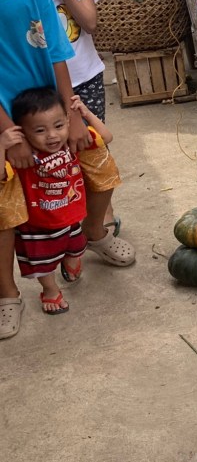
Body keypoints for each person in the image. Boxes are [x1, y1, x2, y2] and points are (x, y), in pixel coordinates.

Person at [0, 0, 133, 340]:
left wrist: (71, 114)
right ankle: (7, 293)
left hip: (52, 109)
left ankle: (93, 232)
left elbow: (57, 51)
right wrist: (9, 133)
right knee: (5, 210)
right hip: (4, 121)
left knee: (100, 166)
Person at [22, 0, 120, 235]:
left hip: (86, 80)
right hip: (47, 87)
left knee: (92, 145)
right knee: (55, 150)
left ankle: (102, 212)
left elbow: (89, 24)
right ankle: (68, 208)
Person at [0, 89, 113, 315]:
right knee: (43, 264)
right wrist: (2, 145)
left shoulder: (69, 144)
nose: (52, 135)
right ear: (23, 132)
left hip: (72, 216)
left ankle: (71, 257)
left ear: (67, 121)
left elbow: (106, 137)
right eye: (40, 130)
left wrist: (85, 114)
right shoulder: (25, 156)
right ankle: (50, 290)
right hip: (38, 226)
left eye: (58, 126)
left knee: (76, 246)